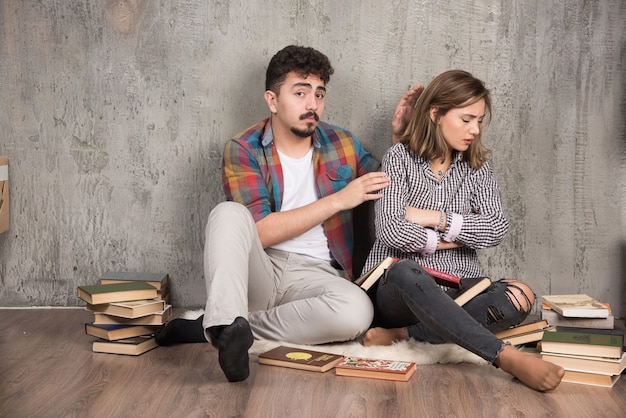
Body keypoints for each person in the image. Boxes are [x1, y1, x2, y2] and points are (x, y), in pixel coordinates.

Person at [156, 45, 398, 382]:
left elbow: (392, 186)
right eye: (300, 93)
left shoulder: (343, 143)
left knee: (358, 311)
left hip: (318, 278)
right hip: (261, 269)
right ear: (272, 100)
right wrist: (338, 200)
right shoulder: (244, 148)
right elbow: (261, 232)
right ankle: (227, 320)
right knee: (227, 214)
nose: (312, 104)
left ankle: (221, 327)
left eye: (319, 94)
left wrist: (399, 139)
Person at [361, 70, 564, 391]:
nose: (475, 130)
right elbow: (391, 231)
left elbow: (496, 228)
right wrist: (456, 238)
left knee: (520, 295)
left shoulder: (478, 166)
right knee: (407, 271)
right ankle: (503, 355)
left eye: (480, 121)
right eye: (467, 119)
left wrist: (433, 218)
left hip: (459, 289)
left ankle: (405, 335)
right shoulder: (399, 158)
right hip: (400, 291)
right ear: (436, 114)